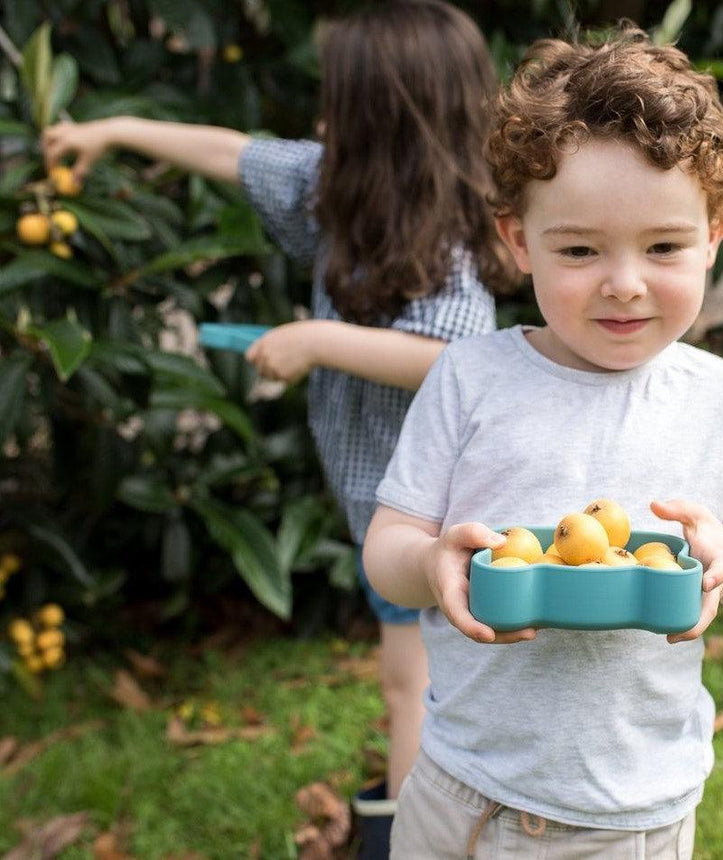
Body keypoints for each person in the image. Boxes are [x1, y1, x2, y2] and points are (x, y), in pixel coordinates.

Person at [42, 1, 514, 854]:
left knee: (417, 692)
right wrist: (112, 128)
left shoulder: (445, 234)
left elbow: (453, 357)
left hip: (442, 515)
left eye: (338, 100)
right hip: (386, 506)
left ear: (386, 117)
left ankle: (413, 841)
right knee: (429, 687)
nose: (321, 117)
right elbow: (228, 152)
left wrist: (315, 340)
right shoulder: (335, 187)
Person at [362, 25, 723, 860]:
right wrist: (429, 563)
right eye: (578, 249)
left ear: (715, 231)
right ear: (516, 240)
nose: (625, 282)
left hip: (624, 813)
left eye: (665, 247)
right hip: (457, 788)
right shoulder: (469, 380)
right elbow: (387, 544)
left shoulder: (721, 399)